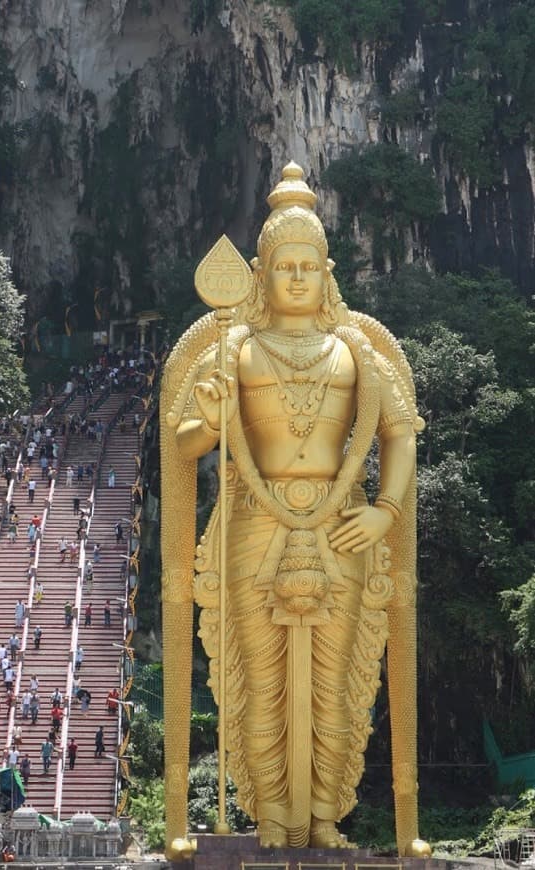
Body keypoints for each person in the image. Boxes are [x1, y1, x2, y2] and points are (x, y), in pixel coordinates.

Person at [160, 163, 426, 854]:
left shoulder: (357, 348)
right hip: (255, 522)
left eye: (310, 265)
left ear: (327, 271)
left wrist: (386, 512)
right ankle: (272, 817)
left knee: (336, 681)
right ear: (261, 272)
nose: (300, 277)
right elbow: (185, 443)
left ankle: (323, 819)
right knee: (262, 675)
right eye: (286, 266)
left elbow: (399, 434)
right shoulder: (236, 346)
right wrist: (213, 417)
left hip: (343, 527)